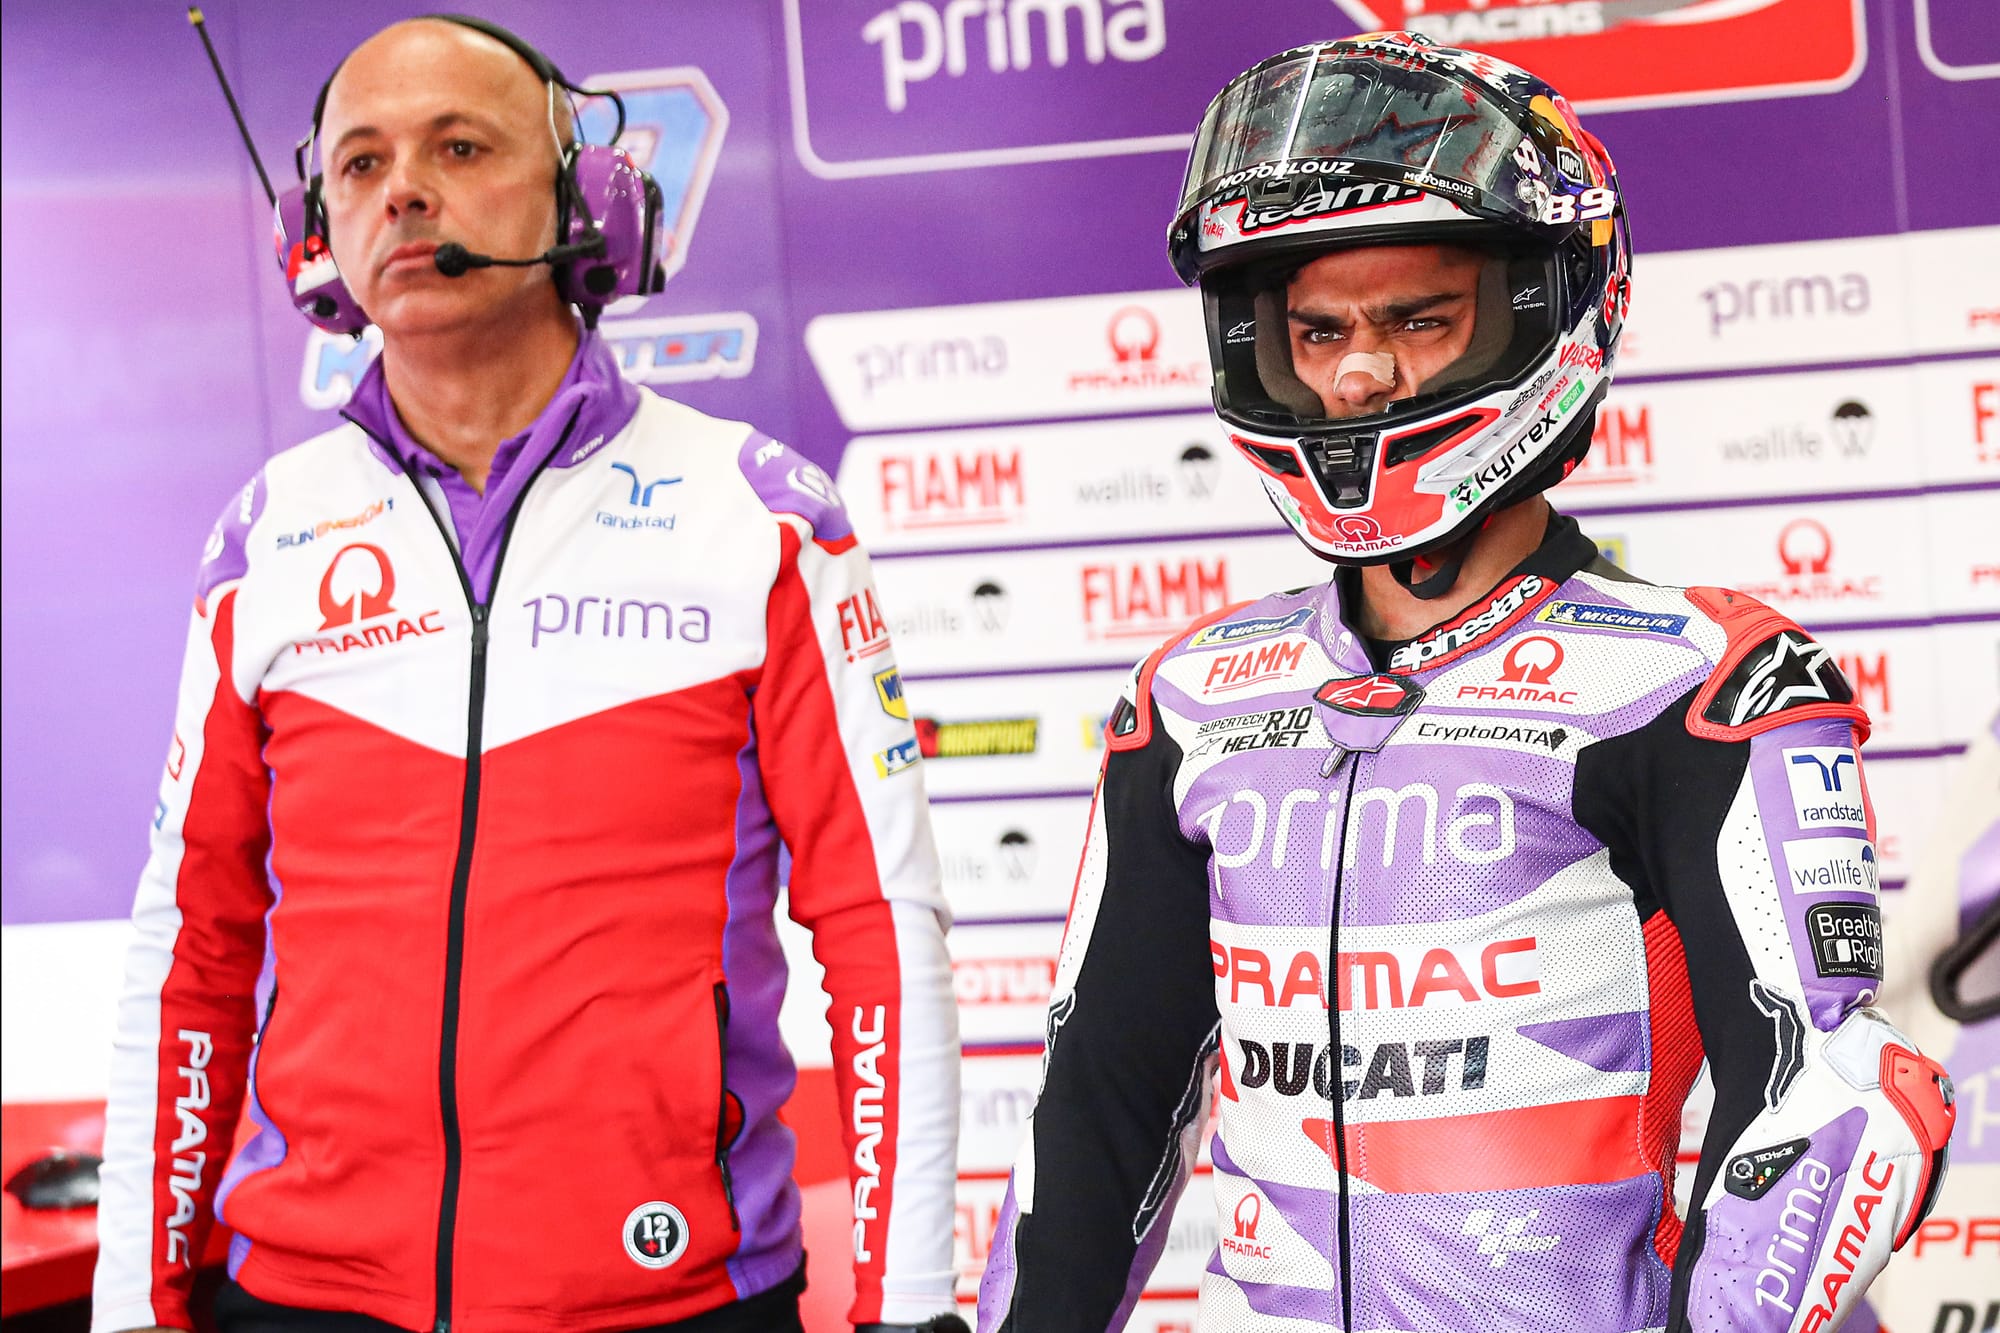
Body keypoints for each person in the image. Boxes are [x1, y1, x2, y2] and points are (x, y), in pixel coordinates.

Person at [977, 32, 1955, 1333]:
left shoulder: (1702, 683)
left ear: (1545, 309)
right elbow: (1096, 1109)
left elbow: (1832, 1097)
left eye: (1417, 320)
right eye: (1317, 329)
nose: (1358, 372)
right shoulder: (1191, 698)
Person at [91, 16, 965, 1333]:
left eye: (459, 147)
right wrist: (131, 1301)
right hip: (306, 1299)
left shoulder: (762, 518)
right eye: (361, 163)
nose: (403, 190)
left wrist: (910, 1304)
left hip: (673, 1298)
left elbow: (879, 924)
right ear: (316, 229)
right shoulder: (265, 535)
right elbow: (190, 949)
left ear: (587, 198)